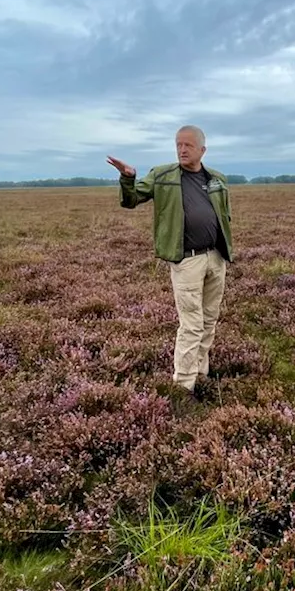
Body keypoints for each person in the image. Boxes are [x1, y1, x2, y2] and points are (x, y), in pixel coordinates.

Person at [106, 125, 234, 397]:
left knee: (210, 319)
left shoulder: (218, 179)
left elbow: (225, 215)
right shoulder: (162, 175)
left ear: (202, 150)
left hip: (215, 258)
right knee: (191, 324)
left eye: (188, 145)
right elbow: (131, 200)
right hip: (186, 260)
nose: (182, 150)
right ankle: (183, 387)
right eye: (178, 144)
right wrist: (128, 178)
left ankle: (201, 372)